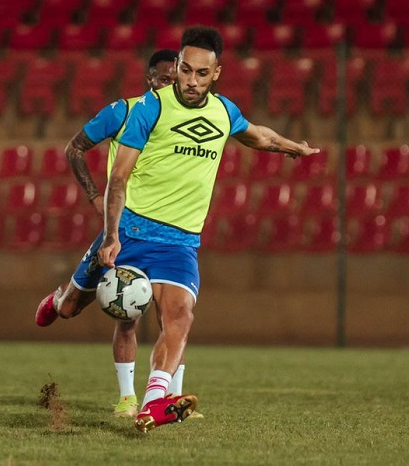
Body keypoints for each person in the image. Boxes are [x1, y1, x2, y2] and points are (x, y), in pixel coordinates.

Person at [96, 26, 319, 433]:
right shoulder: (150, 108)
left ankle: (151, 404)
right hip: (134, 231)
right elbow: (118, 177)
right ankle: (63, 305)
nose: (191, 81)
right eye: (185, 70)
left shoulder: (223, 112)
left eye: (202, 73)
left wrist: (292, 148)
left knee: (180, 316)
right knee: (108, 313)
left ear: (217, 73)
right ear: (177, 67)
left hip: (180, 242)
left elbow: (257, 136)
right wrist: (111, 234)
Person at [35, 49, 190, 419]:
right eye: (163, 79)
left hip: (167, 232)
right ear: (150, 80)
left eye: (175, 79)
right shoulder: (125, 111)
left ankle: (153, 398)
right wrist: (94, 197)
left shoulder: (189, 119)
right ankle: (58, 301)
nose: (170, 85)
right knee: (91, 309)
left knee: (172, 314)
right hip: (125, 228)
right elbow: (75, 148)